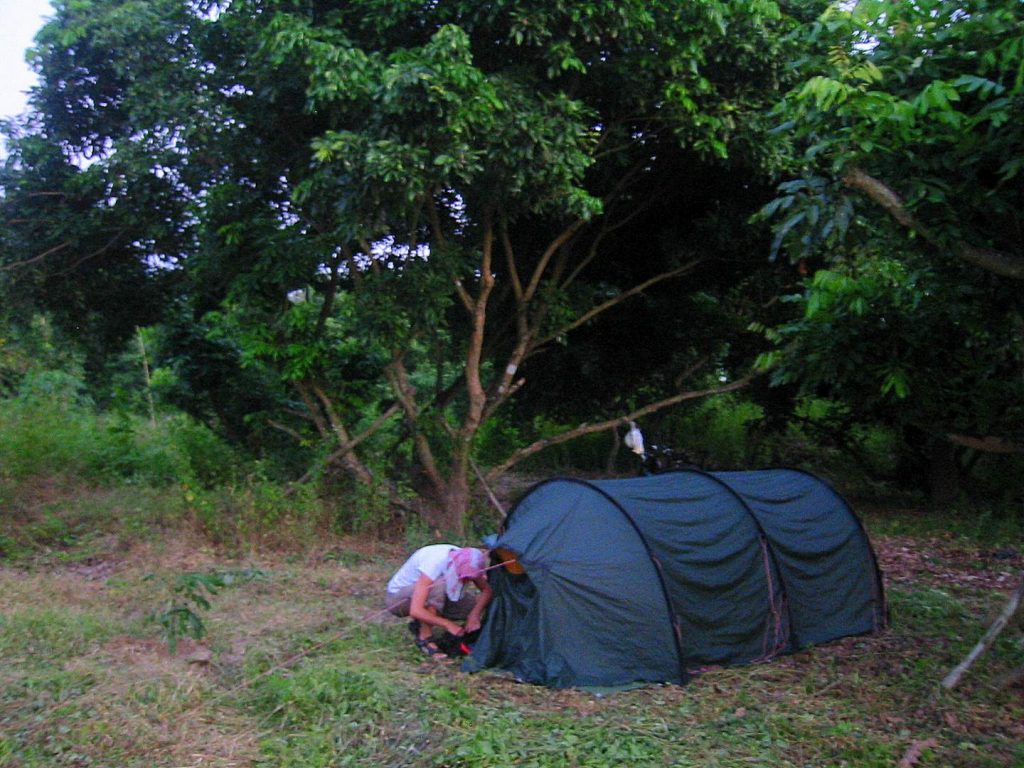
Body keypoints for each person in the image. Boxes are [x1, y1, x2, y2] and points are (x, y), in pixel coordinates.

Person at [385, 544, 493, 658]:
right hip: (398, 599)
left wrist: (474, 615)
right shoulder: (434, 563)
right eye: (464, 577)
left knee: (473, 606)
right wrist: (448, 624)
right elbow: (415, 610)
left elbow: (487, 591)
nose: (466, 581)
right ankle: (425, 638)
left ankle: (425, 622)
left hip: (435, 595)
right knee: (437, 587)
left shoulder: (471, 561)